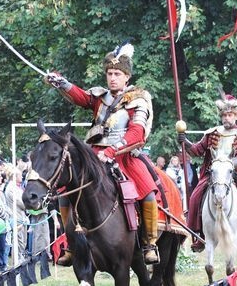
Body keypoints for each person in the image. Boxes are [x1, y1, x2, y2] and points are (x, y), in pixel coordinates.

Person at [45, 42, 160, 264]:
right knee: (66, 188)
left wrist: (113, 150)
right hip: (93, 153)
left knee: (148, 190)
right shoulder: (101, 97)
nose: (112, 78)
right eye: (109, 73)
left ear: (127, 76)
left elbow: (137, 132)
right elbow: (81, 97)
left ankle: (149, 243)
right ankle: (70, 243)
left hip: (124, 154)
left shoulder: (139, 99)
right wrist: (62, 83)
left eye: (117, 74)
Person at [178, 93, 237, 252]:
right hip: (214, 173)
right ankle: (198, 234)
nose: (226, 118)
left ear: (236, 116)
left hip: (235, 172)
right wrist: (185, 142)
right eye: (224, 115)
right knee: (195, 195)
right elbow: (197, 150)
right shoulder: (212, 133)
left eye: (229, 115)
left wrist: (231, 164)